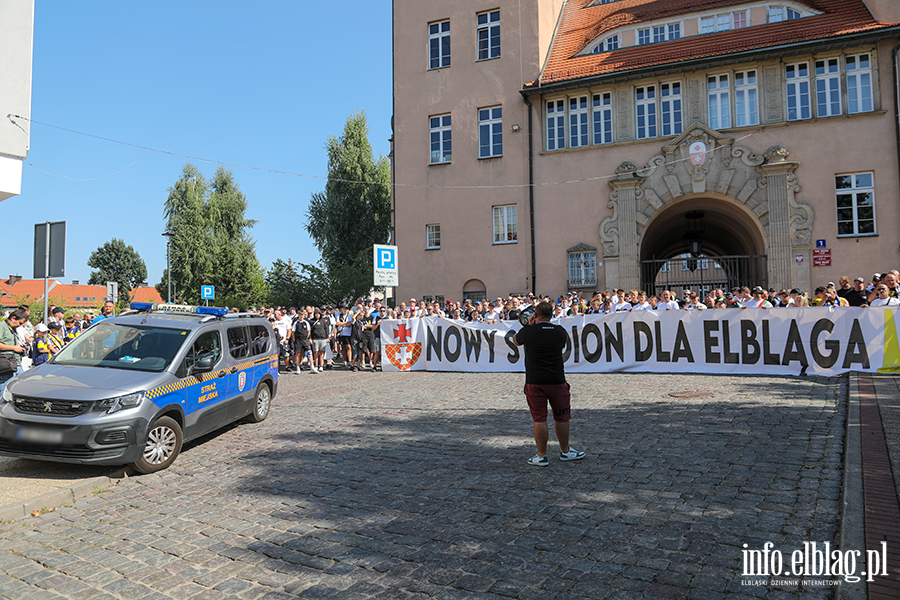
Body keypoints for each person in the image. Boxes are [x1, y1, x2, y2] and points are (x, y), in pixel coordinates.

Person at [512, 301, 585, 467]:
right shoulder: (559, 331)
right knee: (562, 417)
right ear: (552, 315)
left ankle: (542, 455)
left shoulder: (529, 331)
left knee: (539, 419)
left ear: (535, 315)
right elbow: (561, 345)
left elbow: (515, 341)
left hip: (535, 380)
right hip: (557, 379)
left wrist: (529, 325)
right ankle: (565, 451)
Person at [0, 310, 28, 393]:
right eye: (19, 323)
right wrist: (13, 348)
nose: (19, 326)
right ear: (13, 318)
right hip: (6, 363)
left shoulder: (12, 328)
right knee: (4, 389)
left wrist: (21, 347)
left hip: (16, 363)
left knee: (19, 387)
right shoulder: (2, 326)